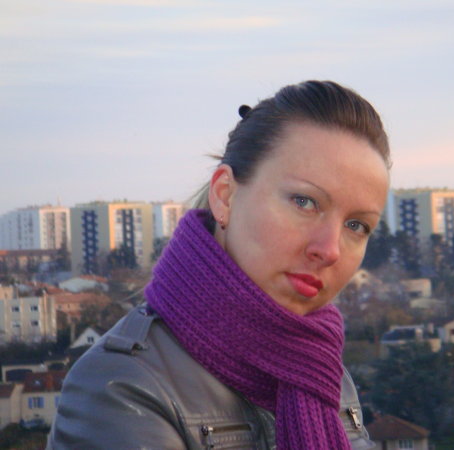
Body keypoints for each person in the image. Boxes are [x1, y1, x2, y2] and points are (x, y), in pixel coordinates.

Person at [47, 80, 391, 449]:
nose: (330, 250)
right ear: (224, 195)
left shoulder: (320, 366)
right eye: (304, 202)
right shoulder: (121, 384)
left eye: (356, 225)